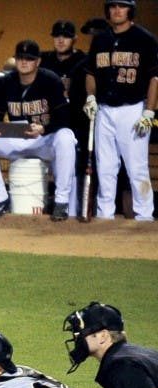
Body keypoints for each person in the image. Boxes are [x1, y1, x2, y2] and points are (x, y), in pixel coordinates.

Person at [0, 40, 77, 221]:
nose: (24, 62)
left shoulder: (50, 80)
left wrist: (44, 128)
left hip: (45, 141)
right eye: (20, 58)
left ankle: (61, 202)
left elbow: (64, 118)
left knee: (66, 137)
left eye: (29, 59)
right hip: (17, 138)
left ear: (38, 62)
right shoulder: (5, 82)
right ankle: (0, 199)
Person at [82, 0, 158, 222]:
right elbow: (90, 73)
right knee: (105, 168)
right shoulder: (100, 39)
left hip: (133, 110)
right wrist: (90, 97)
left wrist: (149, 112)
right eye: (113, 6)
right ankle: (104, 216)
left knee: (137, 169)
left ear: (130, 10)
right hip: (104, 110)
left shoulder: (145, 39)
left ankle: (144, 217)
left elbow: (155, 77)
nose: (117, 10)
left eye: (122, 6)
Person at [39, 20, 89, 217]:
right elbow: (11, 63)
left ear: (74, 39)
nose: (61, 40)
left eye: (66, 36)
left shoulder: (83, 60)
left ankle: (73, 210)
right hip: (49, 122)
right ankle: (57, 207)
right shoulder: (44, 59)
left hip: (76, 121)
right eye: (57, 36)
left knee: (74, 167)